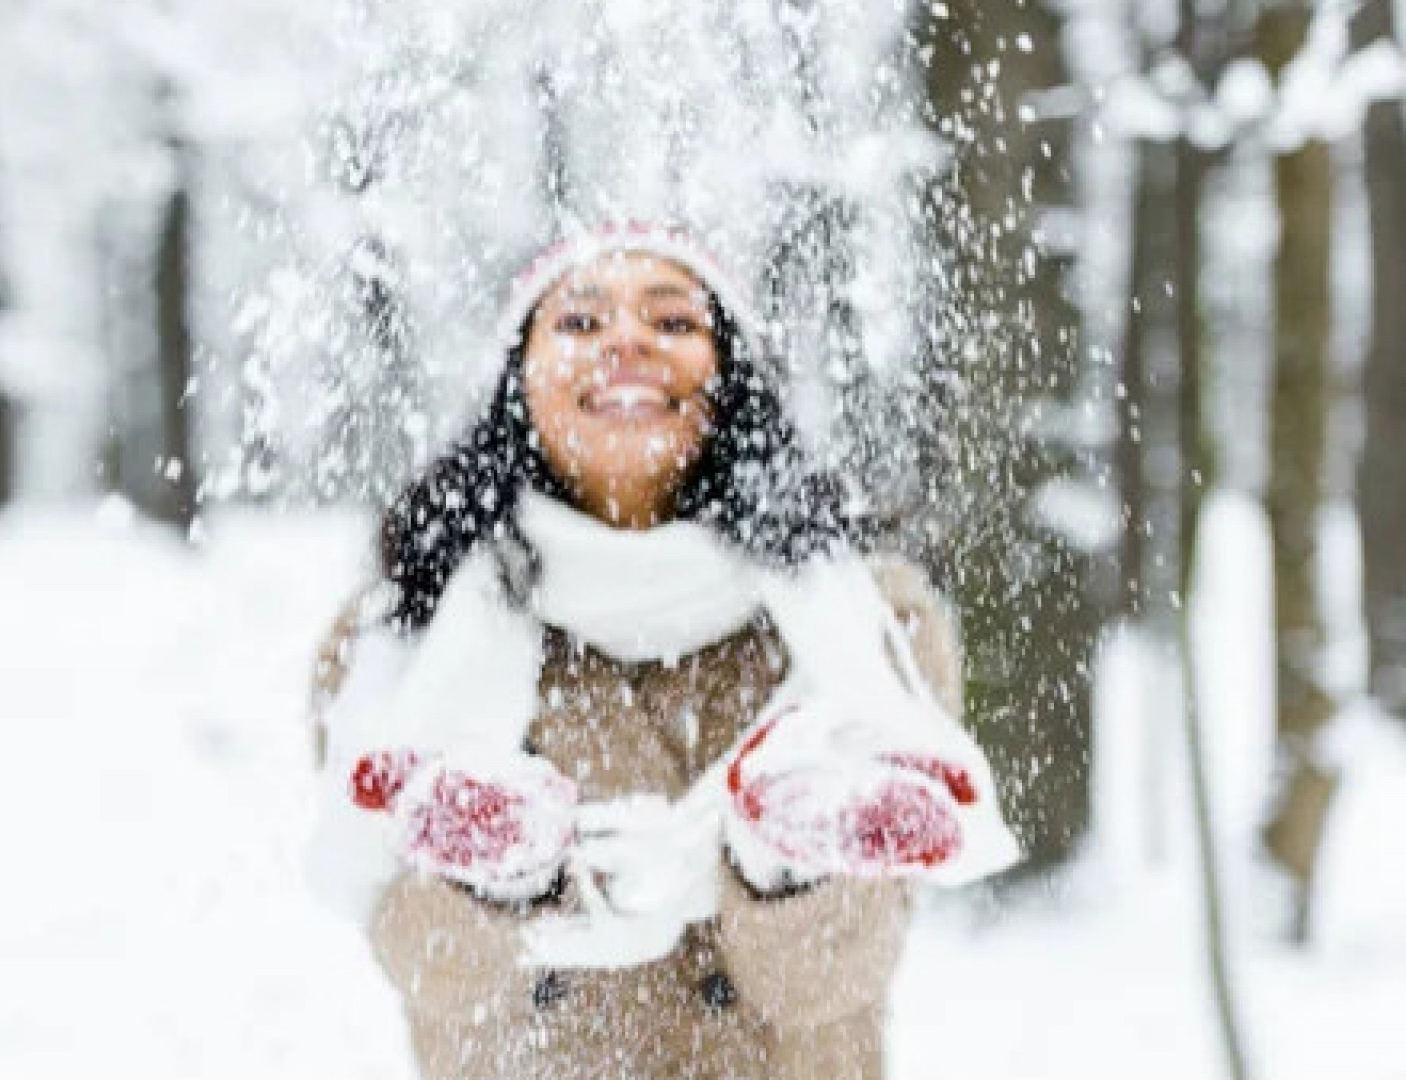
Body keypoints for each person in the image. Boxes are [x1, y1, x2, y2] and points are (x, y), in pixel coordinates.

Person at [306, 222, 1011, 1080]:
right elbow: (427, 969)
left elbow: (833, 979)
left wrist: (790, 862)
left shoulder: (872, 624)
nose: (628, 341)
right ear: (515, 381)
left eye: (673, 322)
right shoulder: (400, 634)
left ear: (731, 379)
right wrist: (494, 878)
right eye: (579, 323)